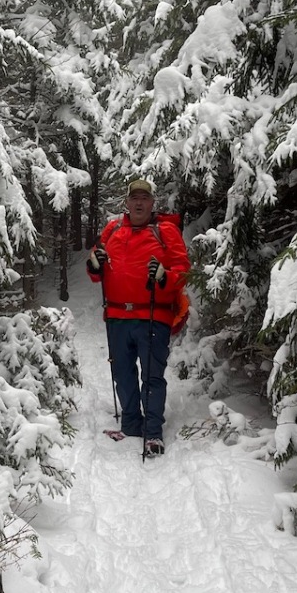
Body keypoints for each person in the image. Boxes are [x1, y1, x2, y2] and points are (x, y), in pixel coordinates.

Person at [86, 178, 190, 456]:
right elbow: (96, 268)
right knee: (122, 373)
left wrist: (164, 276)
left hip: (154, 314)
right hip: (117, 315)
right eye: (135, 198)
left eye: (144, 198)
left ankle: (153, 433)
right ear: (127, 202)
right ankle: (131, 425)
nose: (139, 203)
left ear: (152, 202)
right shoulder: (112, 229)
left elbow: (183, 270)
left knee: (152, 375)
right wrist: (94, 265)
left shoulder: (165, 231)